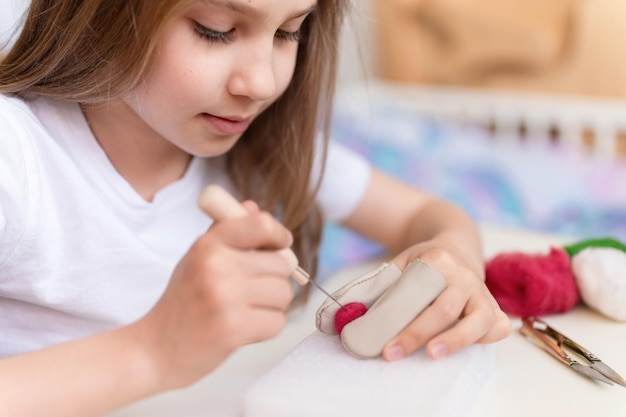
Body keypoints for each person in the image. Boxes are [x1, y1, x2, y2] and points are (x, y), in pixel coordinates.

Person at [0, 0, 511, 416]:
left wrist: (453, 257)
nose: (261, 83)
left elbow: (429, 216)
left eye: (288, 33)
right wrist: (154, 349)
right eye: (215, 30)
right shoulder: (17, 160)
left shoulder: (265, 148)